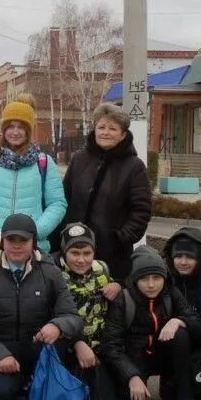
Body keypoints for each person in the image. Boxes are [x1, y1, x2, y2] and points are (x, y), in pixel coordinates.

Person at [0, 214, 83, 400]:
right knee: (1, 399)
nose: (17, 246)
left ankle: (35, 385)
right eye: (11, 240)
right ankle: (13, 388)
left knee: (58, 346)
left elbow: (72, 317)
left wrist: (57, 325)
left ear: (34, 243)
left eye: (23, 240)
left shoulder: (51, 273)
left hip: (37, 347)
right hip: (1, 347)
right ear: (3, 242)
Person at [101, 246, 201, 400]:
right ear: (135, 279)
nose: (151, 285)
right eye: (144, 278)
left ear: (164, 278)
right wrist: (131, 376)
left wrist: (179, 320)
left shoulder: (171, 293)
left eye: (157, 278)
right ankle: (138, 386)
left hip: (164, 355)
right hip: (135, 357)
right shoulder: (123, 299)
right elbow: (111, 345)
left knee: (181, 333)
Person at [56, 103, 151, 279]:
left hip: (112, 255)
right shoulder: (79, 160)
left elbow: (141, 212)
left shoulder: (134, 167)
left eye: (112, 128)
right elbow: (63, 199)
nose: (106, 132)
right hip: (73, 249)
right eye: (101, 127)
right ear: (94, 129)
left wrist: (119, 239)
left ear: (123, 134)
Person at [0, 94, 66, 253]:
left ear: (28, 130)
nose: (15, 132)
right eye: (10, 126)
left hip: (32, 247)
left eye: (21, 127)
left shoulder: (44, 163)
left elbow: (57, 203)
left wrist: (37, 231)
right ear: (3, 129)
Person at [58, 224, 123, 400]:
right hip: (66, 348)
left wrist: (118, 285)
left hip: (97, 350)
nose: (81, 259)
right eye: (74, 253)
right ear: (64, 252)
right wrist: (77, 343)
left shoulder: (101, 269)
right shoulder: (52, 273)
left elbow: (123, 286)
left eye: (87, 253)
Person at [163, 226, 201, 400]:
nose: (184, 262)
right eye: (178, 256)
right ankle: (184, 395)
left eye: (190, 257)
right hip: (173, 346)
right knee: (180, 335)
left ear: (200, 258)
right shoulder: (163, 281)